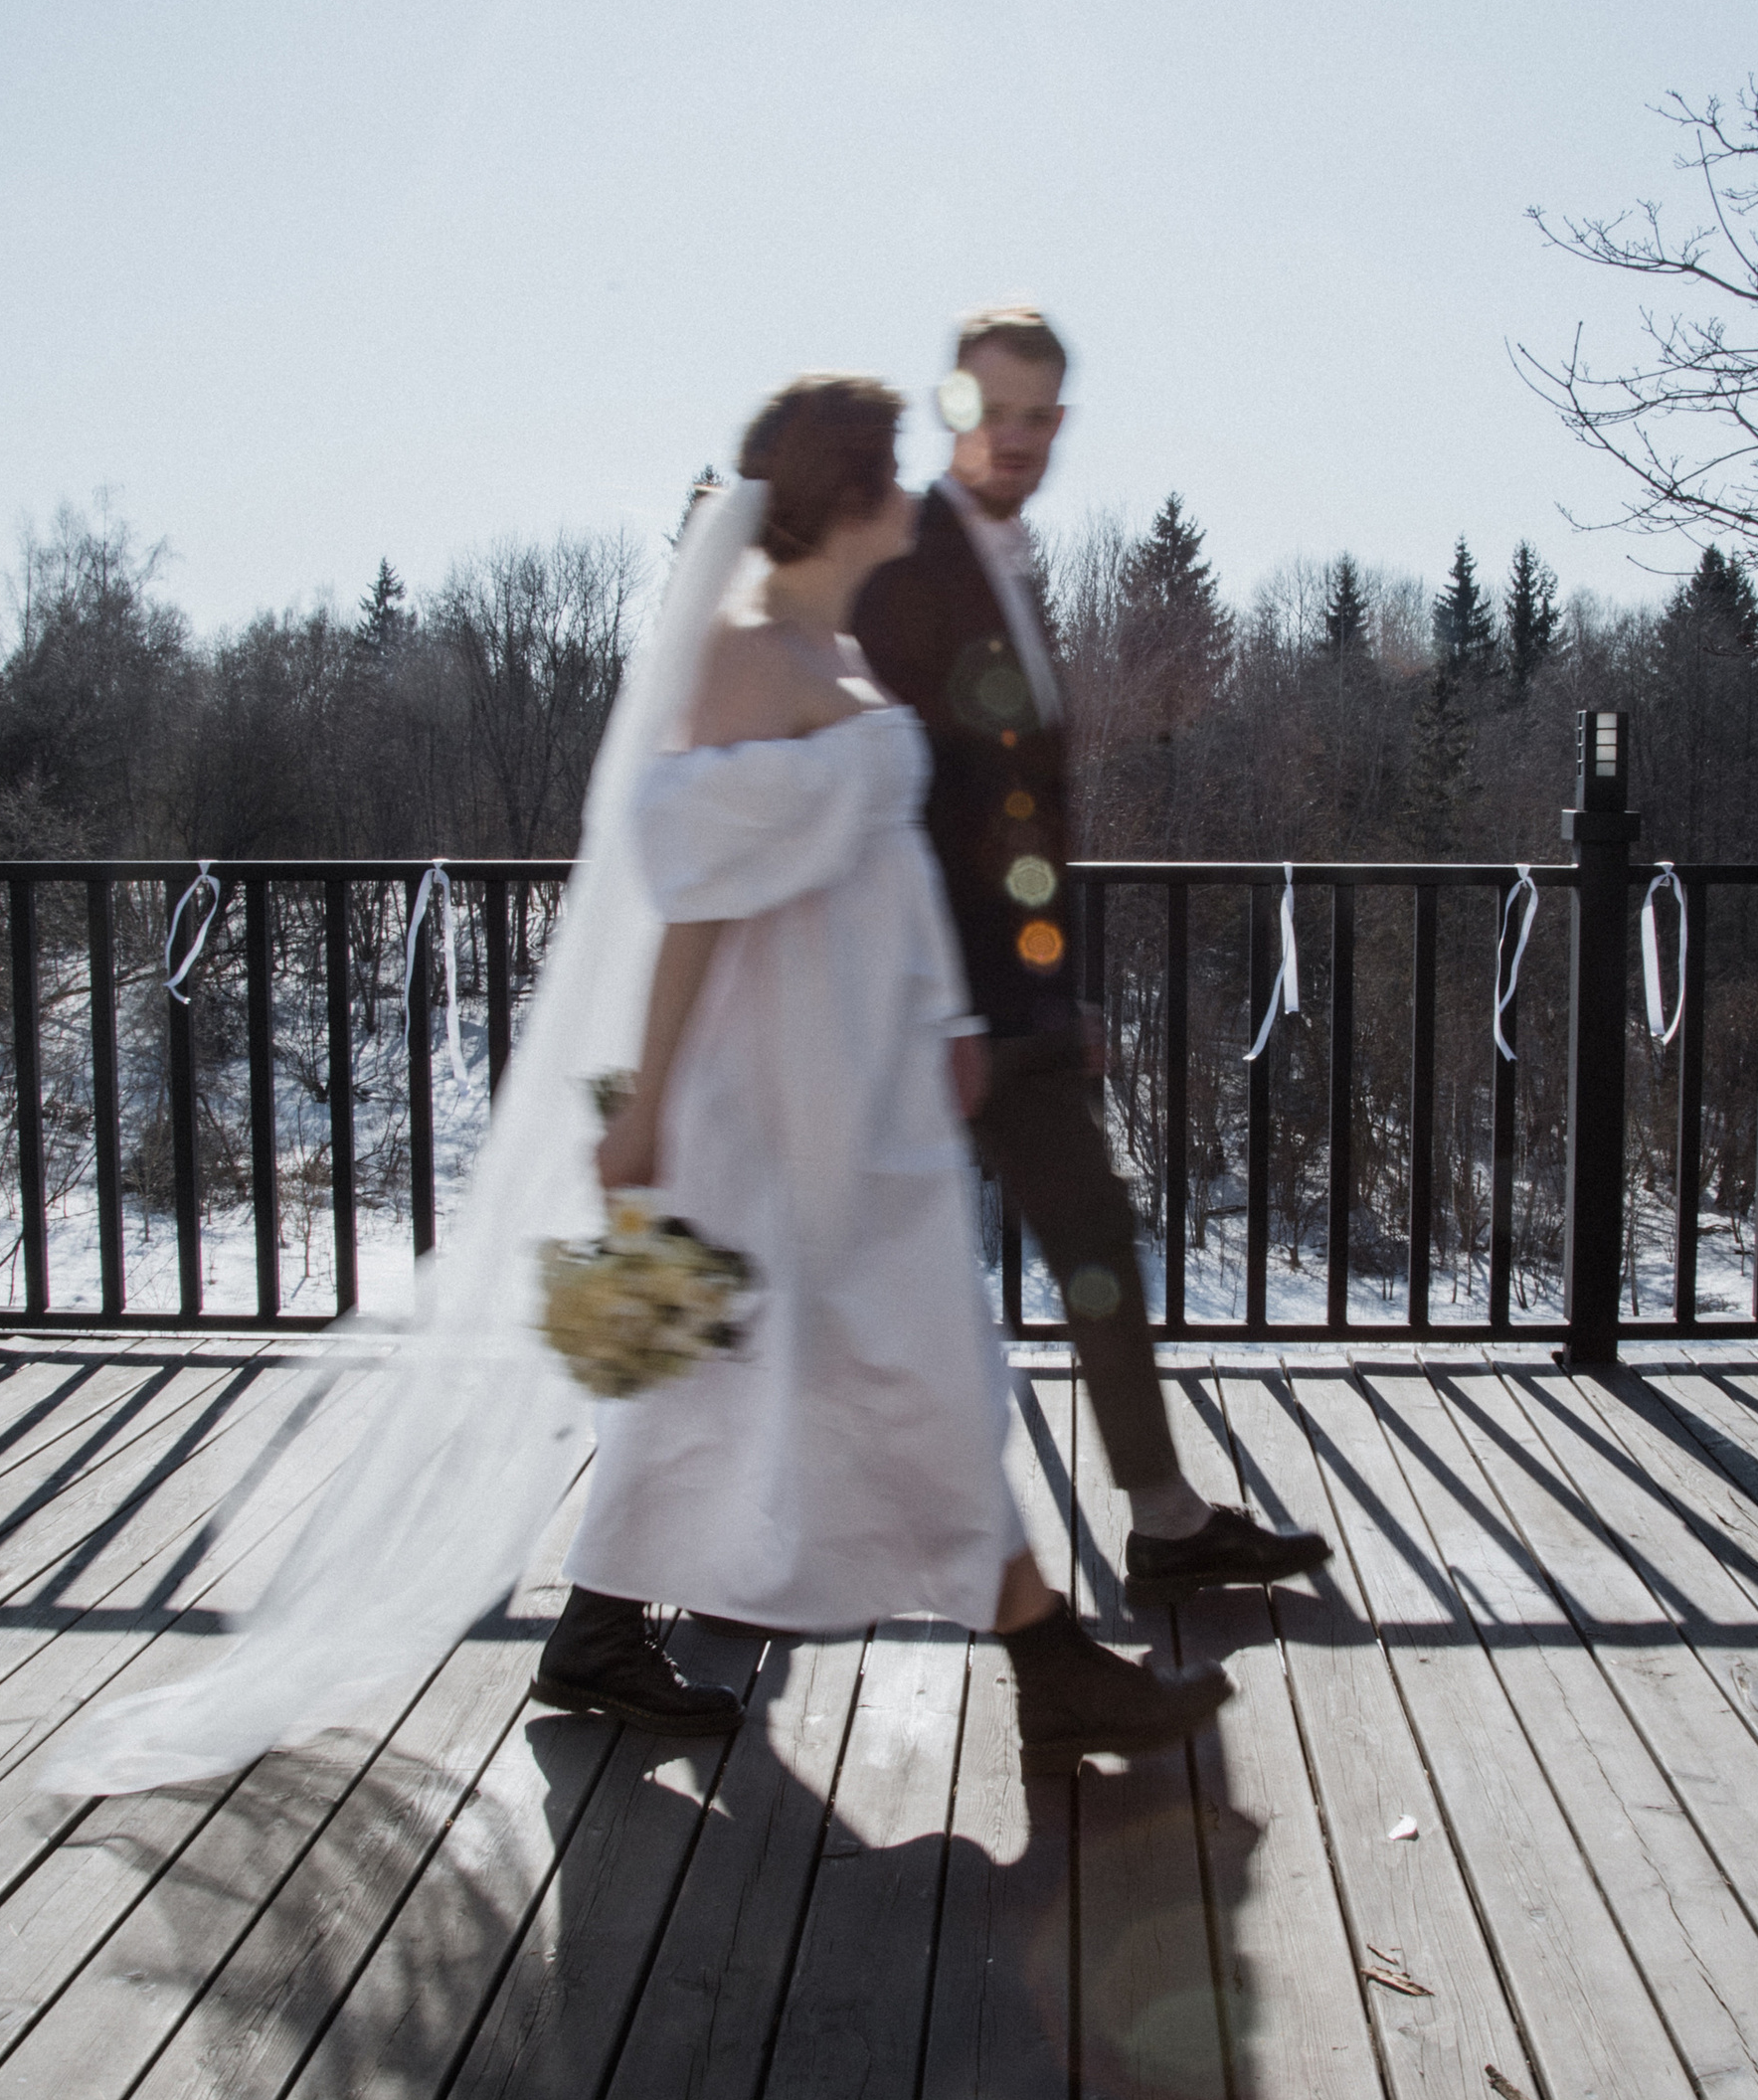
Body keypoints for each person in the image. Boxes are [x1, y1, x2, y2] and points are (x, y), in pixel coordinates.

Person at [534, 374, 1228, 1770]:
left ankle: (602, 1630)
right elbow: (697, 897)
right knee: (892, 1366)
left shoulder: (830, 648)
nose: (916, 492)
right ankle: (1047, 1663)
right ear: (847, 491)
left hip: (863, 1078)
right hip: (770, 1090)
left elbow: (875, 868)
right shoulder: (744, 653)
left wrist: (946, 1021)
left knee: (796, 1366)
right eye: (897, 467)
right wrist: (650, 1107)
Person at [854, 307, 1331, 1600]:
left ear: (1060, 422)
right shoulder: (906, 562)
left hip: (1014, 1015)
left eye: (1037, 415)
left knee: (1098, 1245)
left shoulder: (1007, 566)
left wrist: (1057, 990)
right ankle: (638, 1587)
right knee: (814, 1273)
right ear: (950, 408)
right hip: (915, 1016)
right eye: (989, 409)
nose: (1014, 438)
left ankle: (1167, 1526)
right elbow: (897, 812)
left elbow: (1021, 823)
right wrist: (950, 1012)